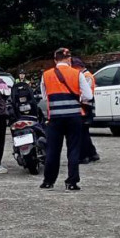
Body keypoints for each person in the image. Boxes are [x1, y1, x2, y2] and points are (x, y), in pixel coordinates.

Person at [40, 48, 93, 191]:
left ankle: (48, 181)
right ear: (69, 59)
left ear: (55, 59)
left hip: (55, 118)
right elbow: (88, 96)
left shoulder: (46, 75)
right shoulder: (77, 74)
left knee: (52, 150)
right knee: (73, 150)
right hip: (74, 117)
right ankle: (71, 182)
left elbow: (45, 97)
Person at [73, 57, 101, 164]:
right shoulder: (86, 75)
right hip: (86, 106)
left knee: (82, 133)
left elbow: (86, 93)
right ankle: (92, 153)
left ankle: (84, 156)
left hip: (85, 106)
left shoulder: (86, 76)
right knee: (84, 132)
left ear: (78, 67)